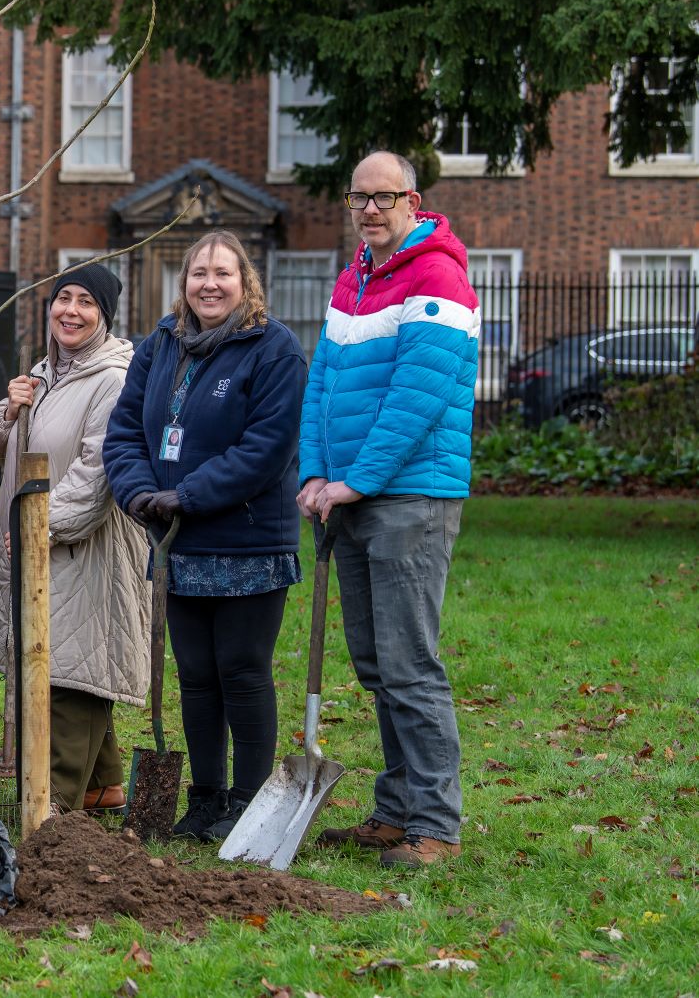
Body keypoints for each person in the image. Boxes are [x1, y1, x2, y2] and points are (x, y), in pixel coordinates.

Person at [298, 151, 479, 869]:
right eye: (357, 199)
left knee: (409, 666)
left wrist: (356, 481)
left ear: (412, 200)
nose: (368, 210)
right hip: (350, 495)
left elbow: (417, 397)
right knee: (376, 665)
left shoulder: (436, 274)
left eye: (383, 197)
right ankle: (396, 808)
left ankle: (434, 823)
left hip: (410, 497)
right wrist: (316, 472)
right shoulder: (355, 280)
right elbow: (322, 384)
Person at [102, 232, 308, 842]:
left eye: (223, 273)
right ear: (183, 281)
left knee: (241, 669)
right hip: (176, 540)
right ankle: (205, 799)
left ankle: (248, 803)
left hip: (247, 540)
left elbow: (266, 449)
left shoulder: (274, 350)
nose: (209, 284)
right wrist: (140, 493)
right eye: (198, 273)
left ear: (245, 282)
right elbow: (124, 433)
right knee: (194, 673)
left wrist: (187, 495)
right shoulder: (160, 345)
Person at [0, 265, 151, 815]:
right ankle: (104, 784)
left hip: (85, 547)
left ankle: (52, 800)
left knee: (71, 666)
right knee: (59, 656)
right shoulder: (45, 372)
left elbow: (95, 471)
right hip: (35, 543)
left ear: (105, 315)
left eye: (86, 302)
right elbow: (1, 446)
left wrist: (40, 526)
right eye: (62, 299)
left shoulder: (113, 379)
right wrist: (9, 411)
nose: (70, 311)